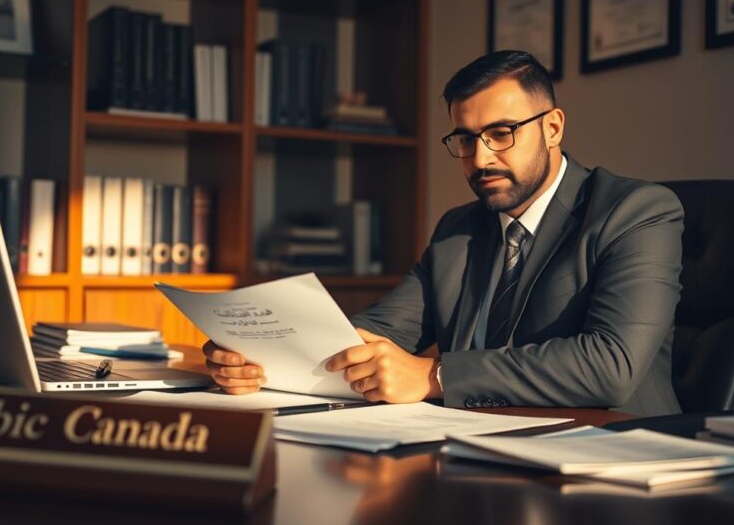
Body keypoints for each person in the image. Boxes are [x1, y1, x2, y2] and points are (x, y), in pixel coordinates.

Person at [204, 50, 684, 416]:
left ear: (553, 127)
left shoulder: (636, 211)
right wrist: (258, 353)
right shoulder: (461, 228)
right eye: (466, 139)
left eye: (502, 133)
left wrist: (436, 375)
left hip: (611, 452)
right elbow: (383, 331)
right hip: (480, 445)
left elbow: (611, 365)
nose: (480, 158)